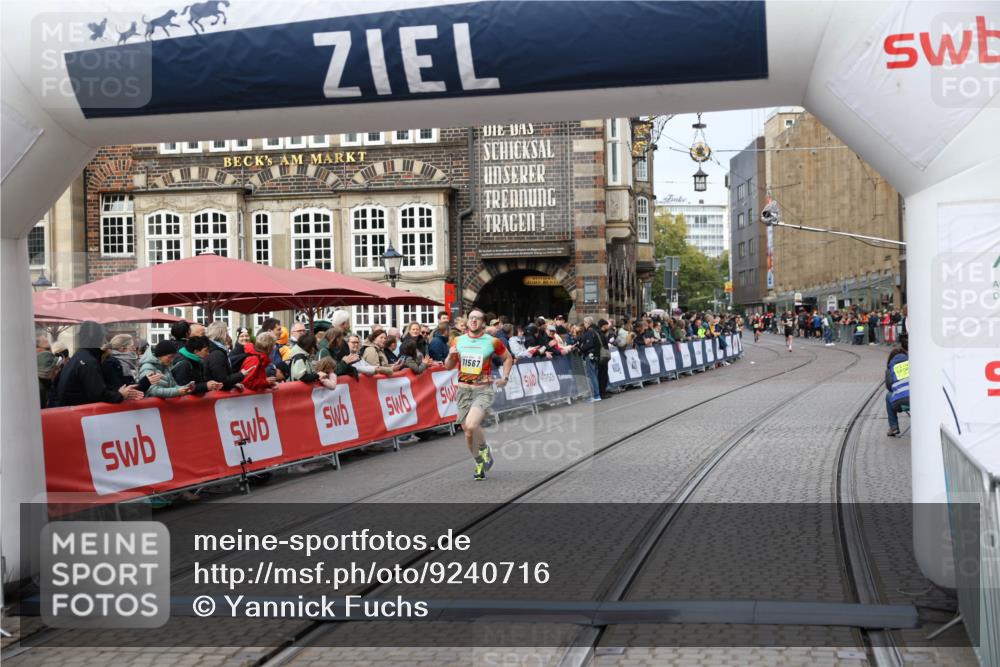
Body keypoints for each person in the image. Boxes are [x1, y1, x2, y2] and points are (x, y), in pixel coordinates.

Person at [445, 308, 514, 481]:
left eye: (477, 319)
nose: (473, 321)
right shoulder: (458, 340)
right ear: (467, 322)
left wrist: (505, 377)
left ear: (483, 323)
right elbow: (448, 366)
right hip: (463, 391)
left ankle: (483, 449)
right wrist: (451, 356)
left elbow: (508, 358)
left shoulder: (492, 342)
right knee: (468, 432)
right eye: (471, 318)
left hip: (482, 389)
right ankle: (479, 459)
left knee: (471, 424)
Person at [52, 321, 144, 407]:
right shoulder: (88, 362)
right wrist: (120, 395)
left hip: (71, 412)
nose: (103, 340)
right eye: (101, 336)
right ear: (97, 338)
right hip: (78, 415)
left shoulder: (79, 356)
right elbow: (98, 394)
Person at [205, 321, 248, 390]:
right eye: (226, 331)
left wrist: (233, 384)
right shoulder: (217, 353)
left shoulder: (216, 350)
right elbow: (222, 380)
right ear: (221, 333)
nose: (228, 334)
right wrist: (241, 375)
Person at [885, 346, 910, 436]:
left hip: (900, 403)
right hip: (917, 401)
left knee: (888, 396)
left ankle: (894, 426)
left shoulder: (890, 368)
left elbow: (889, 387)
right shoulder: (914, 363)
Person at [577, 317, 602, 402]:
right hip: (595, 355)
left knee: (592, 376)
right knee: (594, 375)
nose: (584, 324)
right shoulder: (595, 331)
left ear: (587, 323)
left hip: (590, 355)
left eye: (584, 322)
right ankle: (597, 394)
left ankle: (595, 395)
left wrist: (581, 349)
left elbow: (589, 344)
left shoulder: (590, 331)